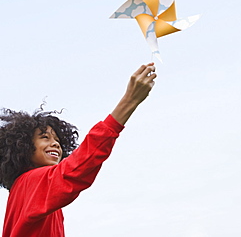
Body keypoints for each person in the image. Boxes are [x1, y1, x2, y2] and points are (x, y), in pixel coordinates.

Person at [0, 63, 156, 237]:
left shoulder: (30, 190)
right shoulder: (30, 182)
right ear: (22, 148)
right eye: (45, 137)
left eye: (57, 140)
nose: (55, 144)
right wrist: (129, 101)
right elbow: (75, 170)